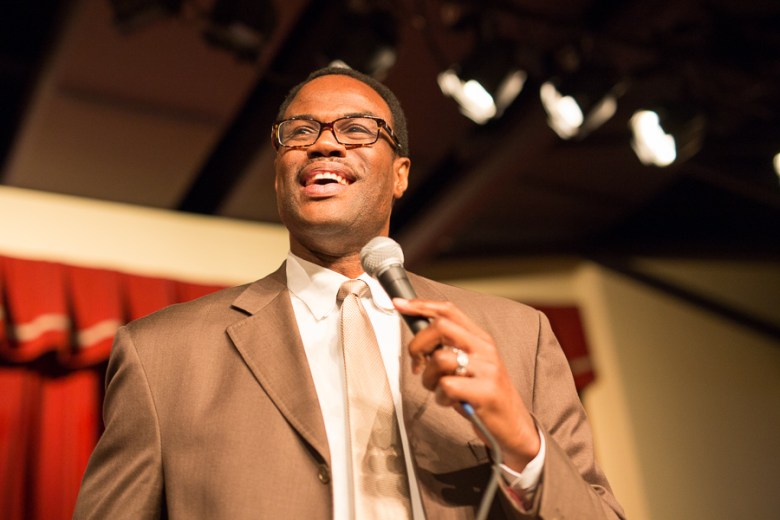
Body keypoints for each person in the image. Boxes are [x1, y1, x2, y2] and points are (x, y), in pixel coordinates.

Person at [74, 66, 625, 519]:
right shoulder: (162, 354)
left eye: (357, 130)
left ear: (400, 174)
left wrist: (524, 446)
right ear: (279, 170)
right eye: (300, 131)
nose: (324, 146)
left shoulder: (517, 336)